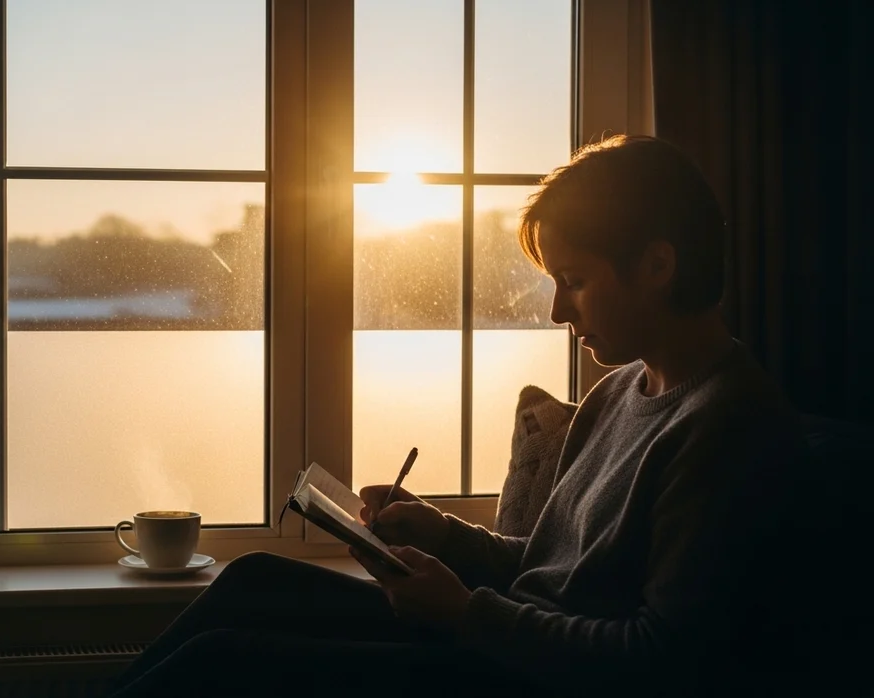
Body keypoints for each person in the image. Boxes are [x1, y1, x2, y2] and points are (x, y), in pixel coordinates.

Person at [107, 135, 807, 698]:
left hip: (526, 677)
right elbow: (549, 566)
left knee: (224, 662)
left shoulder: (728, 426)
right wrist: (441, 533)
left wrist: (464, 613)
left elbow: (658, 661)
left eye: (574, 281)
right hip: (499, 645)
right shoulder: (619, 392)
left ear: (657, 266)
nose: (557, 312)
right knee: (256, 578)